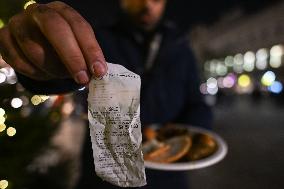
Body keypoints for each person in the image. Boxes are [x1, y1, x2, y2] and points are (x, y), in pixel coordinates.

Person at [0, 0, 212, 188]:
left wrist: (183, 138)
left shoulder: (181, 47)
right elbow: (57, 76)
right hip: (107, 177)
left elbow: (196, 102)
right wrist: (38, 57)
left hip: (168, 178)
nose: (147, 4)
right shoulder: (99, 38)